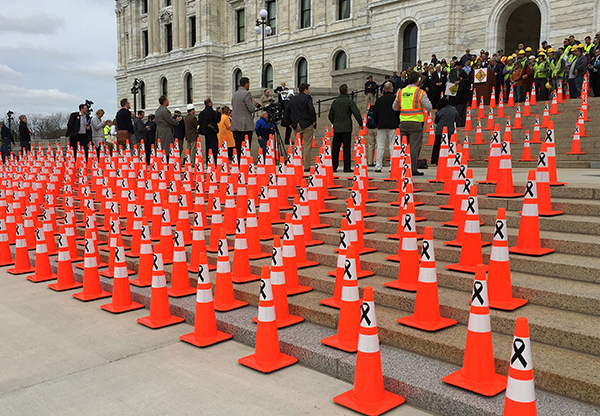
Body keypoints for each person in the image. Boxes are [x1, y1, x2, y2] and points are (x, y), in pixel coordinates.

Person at [393, 70, 433, 176]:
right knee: (414, 147)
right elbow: (429, 107)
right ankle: (412, 169)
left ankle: (401, 167)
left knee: (402, 146)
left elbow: (394, 107)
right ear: (417, 80)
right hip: (416, 123)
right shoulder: (420, 92)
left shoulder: (401, 92)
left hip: (403, 122)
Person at [328, 84, 363, 173]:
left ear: (340, 91)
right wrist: (360, 123)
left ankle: (334, 167)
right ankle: (346, 167)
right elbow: (356, 113)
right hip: (347, 128)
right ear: (347, 91)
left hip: (337, 127)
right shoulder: (349, 101)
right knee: (346, 148)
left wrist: (334, 122)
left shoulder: (335, 102)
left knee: (335, 148)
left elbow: (330, 115)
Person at [284, 82, 316, 171]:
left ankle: (296, 163)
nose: (309, 91)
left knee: (297, 145)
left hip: (295, 124)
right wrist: (313, 120)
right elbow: (311, 109)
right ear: (305, 90)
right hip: (306, 123)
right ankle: (306, 166)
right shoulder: (307, 98)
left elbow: (287, 111)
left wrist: (289, 123)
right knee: (307, 145)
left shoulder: (293, 99)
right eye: (308, 89)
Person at [371, 81, 399, 172]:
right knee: (392, 146)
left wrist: (378, 122)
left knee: (380, 146)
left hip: (381, 125)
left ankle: (378, 166)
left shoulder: (379, 100)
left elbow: (374, 114)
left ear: (383, 89)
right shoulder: (395, 99)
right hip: (393, 125)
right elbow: (398, 112)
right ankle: (392, 166)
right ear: (392, 89)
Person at [231, 77, 257, 157]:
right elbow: (251, 108)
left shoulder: (234, 94)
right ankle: (245, 163)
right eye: (249, 83)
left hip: (236, 124)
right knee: (246, 146)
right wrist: (254, 103)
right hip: (245, 125)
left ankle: (238, 162)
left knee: (238, 146)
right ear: (246, 84)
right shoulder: (246, 94)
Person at [155, 95, 181, 162]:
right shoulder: (165, 111)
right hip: (166, 131)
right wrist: (177, 120)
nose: (168, 102)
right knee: (167, 148)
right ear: (165, 101)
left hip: (159, 130)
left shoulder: (157, 110)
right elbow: (170, 120)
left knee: (160, 147)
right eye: (167, 100)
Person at [432, 97, 457, 166]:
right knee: (449, 145)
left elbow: (436, 121)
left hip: (440, 130)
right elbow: (456, 118)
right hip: (450, 130)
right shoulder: (453, 109)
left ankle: (436, 159)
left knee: (437, 145)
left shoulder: (440, 111)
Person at [198, 97, 222, 163]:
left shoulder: (201, 113)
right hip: (212, 132)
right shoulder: (211, 111)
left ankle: (209, 163)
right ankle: (217, 162)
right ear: (209, 103)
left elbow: (199, 123)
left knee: (208, 148)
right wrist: (219, 113)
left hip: (206, 132)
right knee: (215, 148)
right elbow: (217, 120)